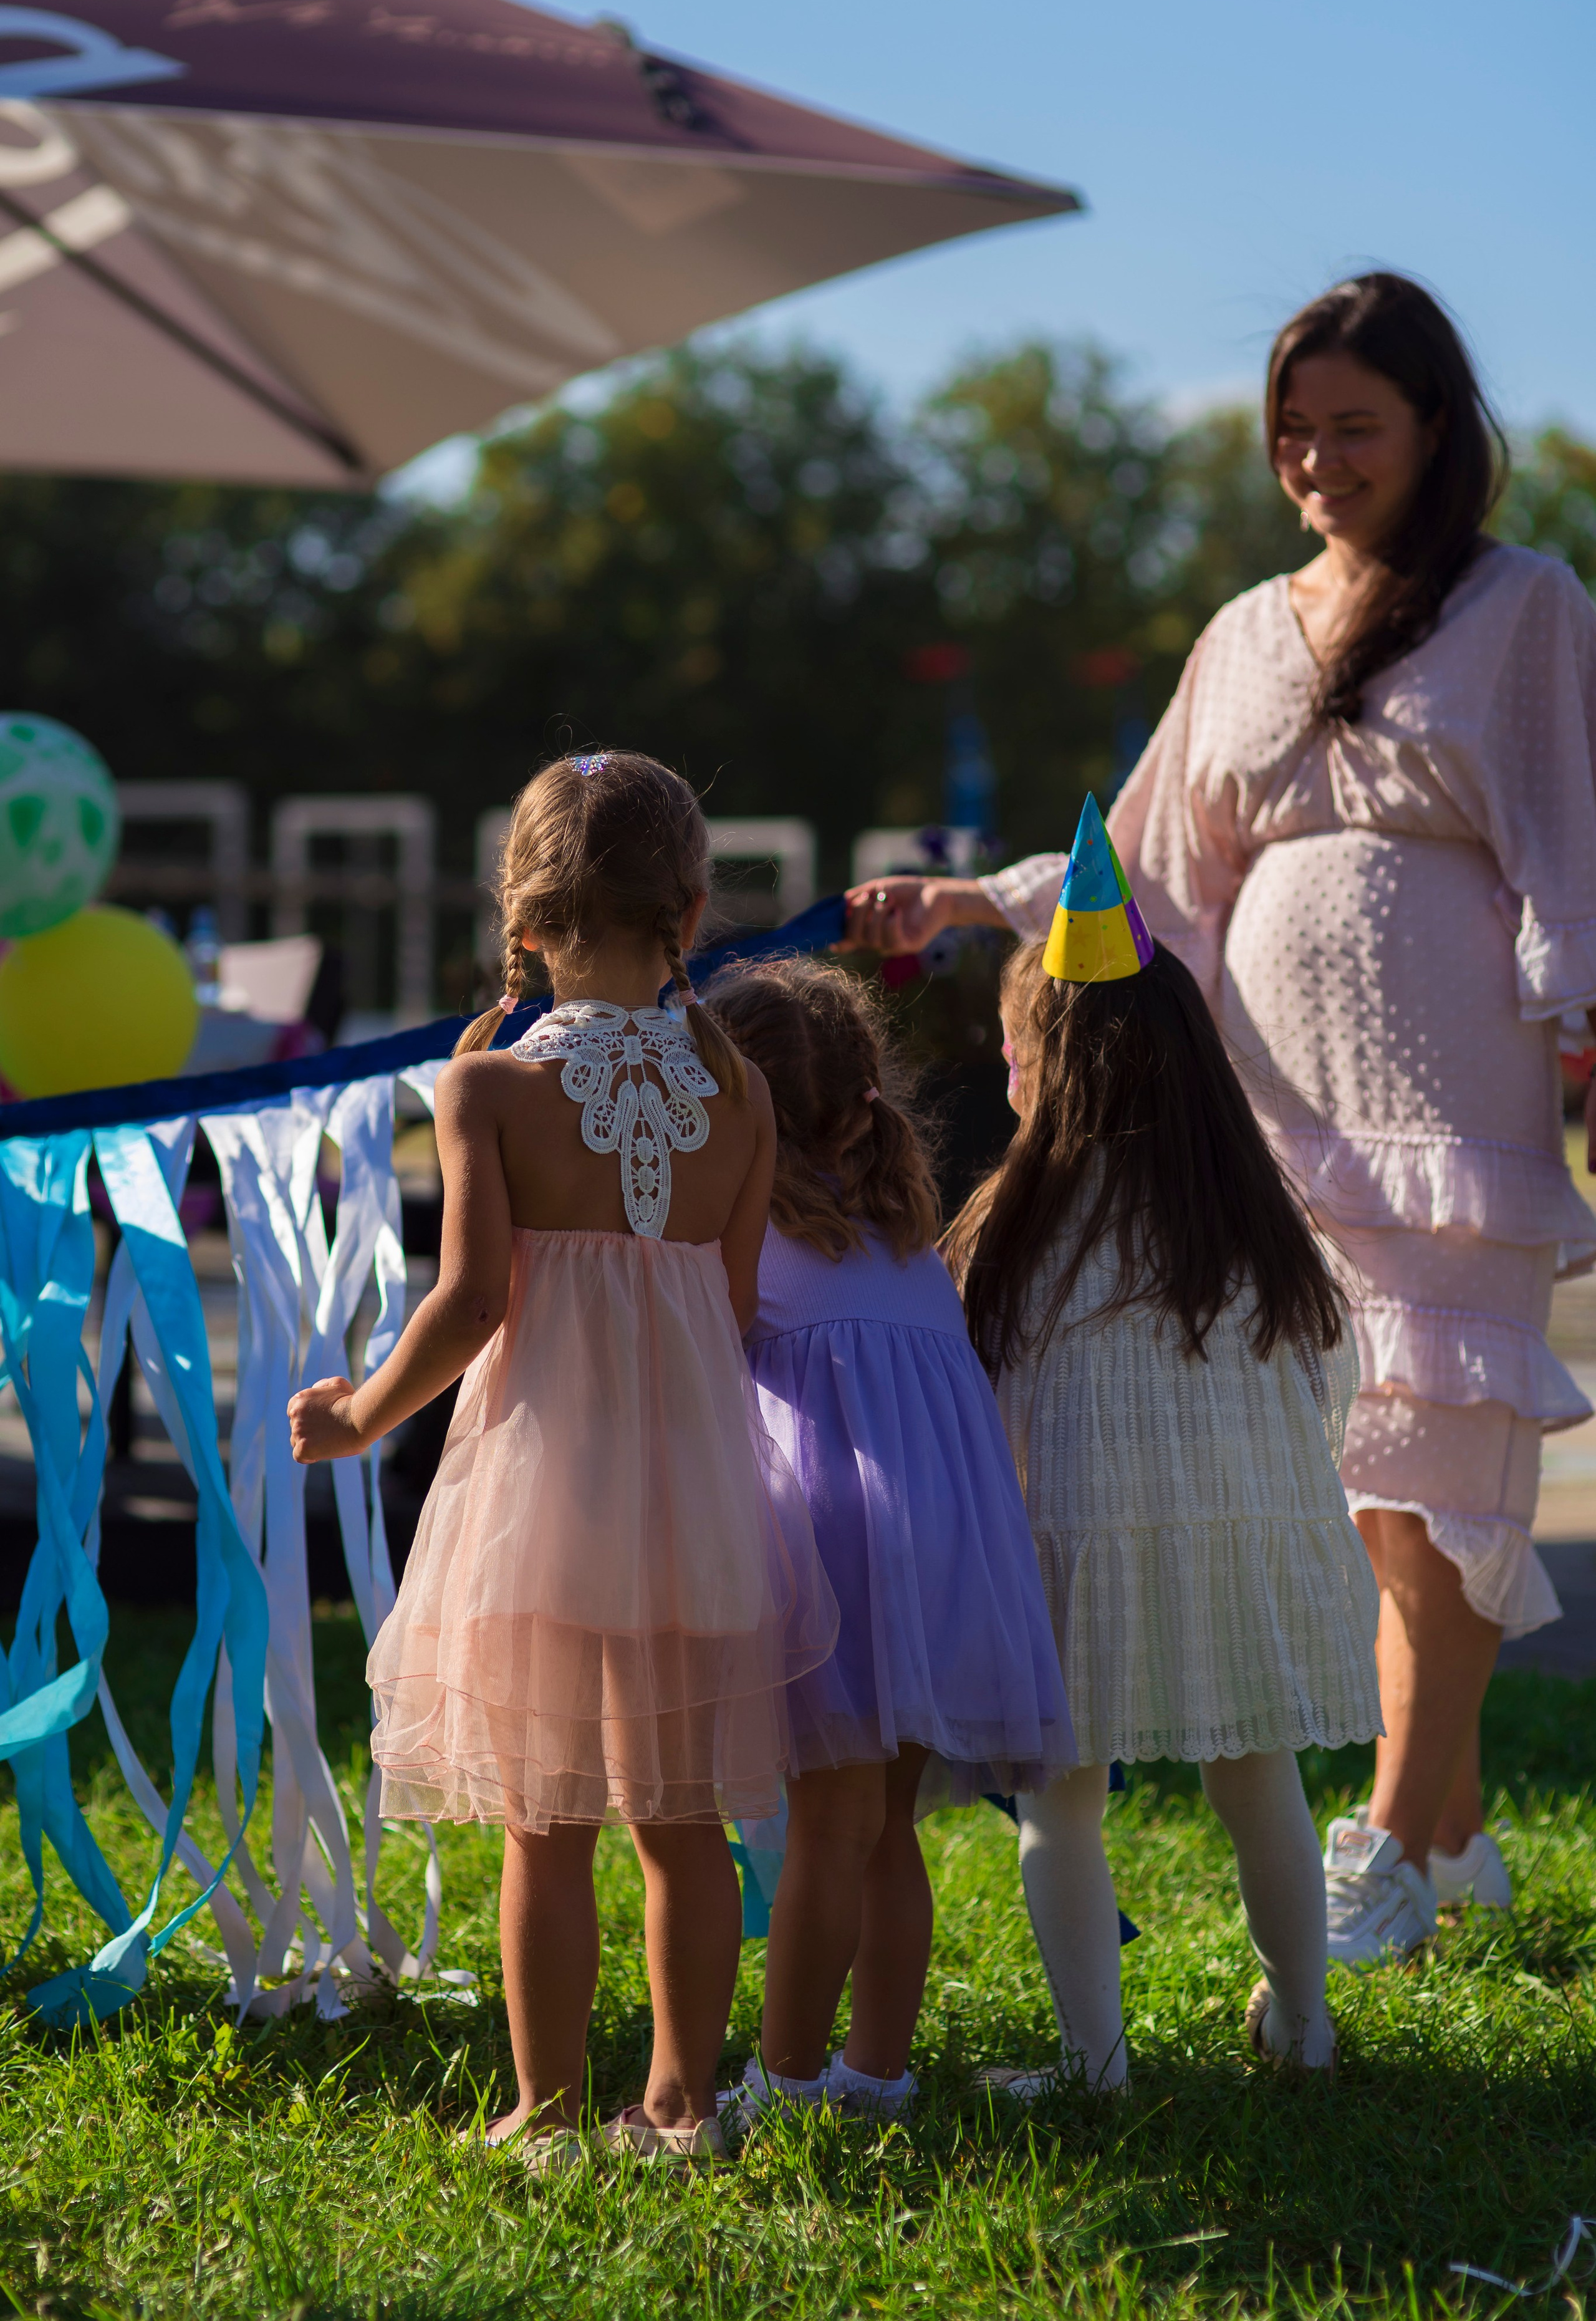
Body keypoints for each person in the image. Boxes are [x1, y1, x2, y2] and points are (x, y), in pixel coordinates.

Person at [848, 274, 1596, 1966]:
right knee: (1348, 1461)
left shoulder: (1527, 605)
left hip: (1450, 1092)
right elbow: (1150, 864)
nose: (1319, 463)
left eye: (1356, 429)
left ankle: (1388, 1844)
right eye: (1293, 433)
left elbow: (1570, 834)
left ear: (1436, 432)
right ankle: (1452, 1832)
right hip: (1270, 1107)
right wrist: (976, 901)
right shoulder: (1248, 630)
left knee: (1434, 1469)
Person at [287, 750, 837, 2172]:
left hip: (543, 1494)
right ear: (692, 911)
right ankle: (684, 2104)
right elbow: (731, 1309)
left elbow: (471, 1302)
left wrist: (361, 1417)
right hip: (691, 1491)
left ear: (521, 922)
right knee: (680, 1816)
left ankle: (543, 2110)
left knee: (546, 1820)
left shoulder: (484, 1087)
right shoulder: (740, 1093)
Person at [945, 806, 1380, 2090]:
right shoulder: (1255, 1225)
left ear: (1044, 1065)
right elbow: (1328, 1379)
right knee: (1259, 1780)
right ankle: (1302, 2029)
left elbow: (978, 1412)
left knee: (1059, 1803)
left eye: (1015, 1051)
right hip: (1234, 1548)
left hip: (1071, 1563)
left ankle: (1095, 2065)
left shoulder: (1012, 1232)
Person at [703, 958, 1073, 2124]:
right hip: (945, 1548)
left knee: (826, 1827)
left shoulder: (745, 1239)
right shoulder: (904, 1237)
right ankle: (876, 2073)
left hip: (834, 1549)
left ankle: (787, 2078)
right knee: (882, 1833)